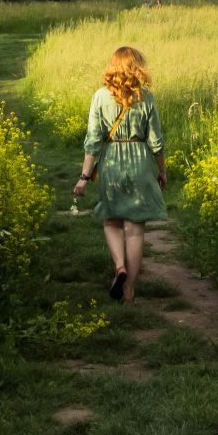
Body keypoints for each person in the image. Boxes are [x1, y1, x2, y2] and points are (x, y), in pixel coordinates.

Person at [73, 45, 167, 302]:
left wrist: (84, 176)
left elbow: (93, 141)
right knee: (135, 229)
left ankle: (119, 266)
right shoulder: (146, 98)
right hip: (140, 162)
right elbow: (156, 141)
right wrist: (162, 171)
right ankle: (130, 290)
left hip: (112, 161)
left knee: (111, 220)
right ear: (138, 68)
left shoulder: (100, 97)